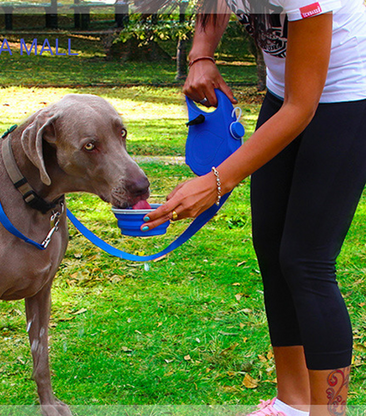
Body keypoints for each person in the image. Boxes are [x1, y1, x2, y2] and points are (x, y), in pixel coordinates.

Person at [139, 0, 366, 414]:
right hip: (285, 95)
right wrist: (201, 53)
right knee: (270, 245)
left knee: (306, 259)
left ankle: (329, 412)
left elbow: (304, 107)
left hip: (349, 97)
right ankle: (291, 404)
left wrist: (217, 180)